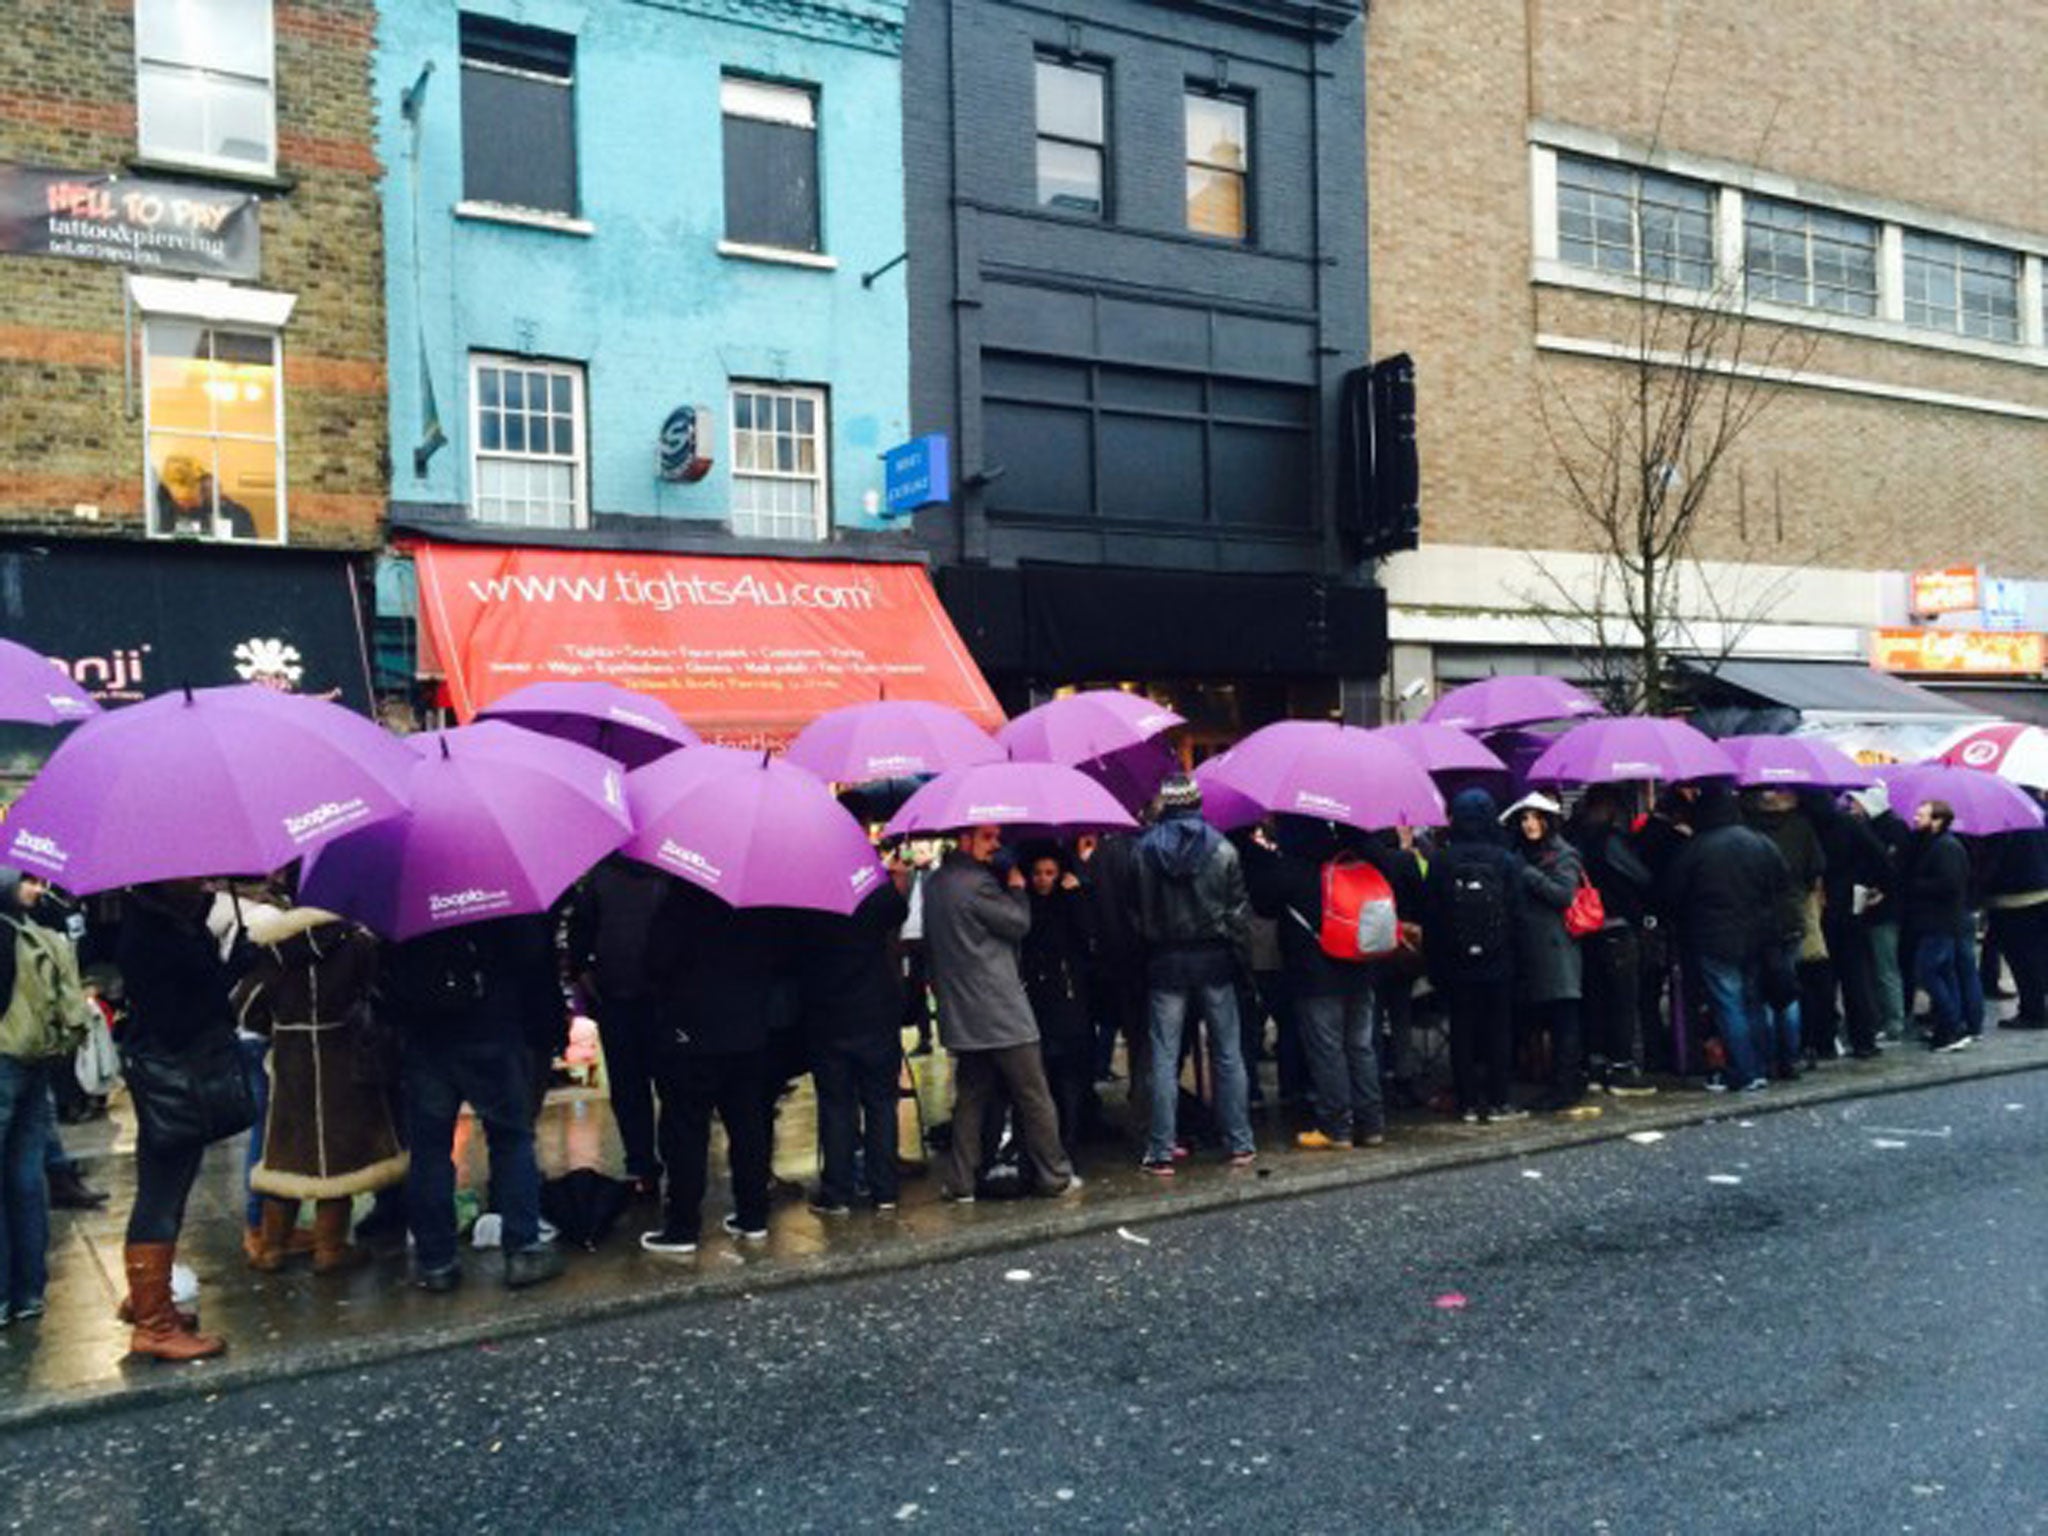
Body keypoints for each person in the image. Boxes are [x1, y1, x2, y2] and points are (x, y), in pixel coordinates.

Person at [384, 915, 564, 1292]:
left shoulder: (407, 895)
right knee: (511, 1139)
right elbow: (530, 953)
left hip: (427, 1038)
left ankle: (437, 1263)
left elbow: (386, 971)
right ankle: (522, 1250)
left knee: (430, 1150)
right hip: (492, 1029)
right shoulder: (497, 894)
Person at [116, 879, 257, 1360]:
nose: (204, 882)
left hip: (171, 1077)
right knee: (160, 1191)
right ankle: (153, 1324)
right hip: (171, 1079)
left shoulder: (168, 923)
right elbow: (177, 1021)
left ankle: (151, 1302)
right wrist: (227, 972)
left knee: (167, 1190)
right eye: (192, 878)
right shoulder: (150, 936)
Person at [233, 904, 406, 1274]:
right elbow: (377, 991)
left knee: (284, 1156)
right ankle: (330, 1249)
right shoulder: (356, 944)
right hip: (344, 1059)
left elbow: (246, 1008)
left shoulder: (276, 949)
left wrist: (279, 1027)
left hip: (290, 1065)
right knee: (338, 1157)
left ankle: (271, 1248)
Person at [924, 825, 1080, 1202]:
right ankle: (1054, 1175)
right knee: (1034, 1094)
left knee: (972, 1096)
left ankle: (961, 1181)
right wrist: (1016, 889)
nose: (996, 844)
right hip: (1000, 1009)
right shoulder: (979, 884)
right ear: (965, 839)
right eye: (988, 837)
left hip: (962, 1012)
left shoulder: (935, 882)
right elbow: (1018, 924)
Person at [640, 881, 783, 1252]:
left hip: (692, 1033)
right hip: (748, 1032)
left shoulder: (680, 899)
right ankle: (753, 1216)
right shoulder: (757, 901)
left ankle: (683, 1226)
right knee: (749, 1127)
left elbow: (656, 960)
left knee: (686, 1131)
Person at [1131, 776, 1257, 1175]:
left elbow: (1137, 913)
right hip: (1215, 959)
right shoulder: (1222, 848)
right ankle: (1240, 1143)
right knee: (1227, 1054)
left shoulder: (1144, 850)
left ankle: (1161, 1150)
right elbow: (1239, 915)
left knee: (1164, 1059)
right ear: (1198, 803)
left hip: (1165, 962)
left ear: (1166, 806)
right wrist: (1243, 961)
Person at [1243, 818, 1385, 1150]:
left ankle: (1337, 1127)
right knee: (1361, 1047)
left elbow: (1263, 905)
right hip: (1359, 966)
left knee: (1328, 1050)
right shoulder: (1352, 860)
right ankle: (1372, 1123)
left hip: (1315, 974)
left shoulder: (1290, 870)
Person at [1659, 785, 1793, 1094]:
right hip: (1758, 936)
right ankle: (1760, 1067)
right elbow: (1782, 885)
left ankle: (1743, 1072)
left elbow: (1672, 894)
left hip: (1713, 938)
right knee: (1754, 1002)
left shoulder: (1697, 848)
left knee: (1728, 1003)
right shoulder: (1760, 842)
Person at [795, 872, 911, 1216]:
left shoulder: (808, 901)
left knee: (836, 1107)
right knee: (881, 1103)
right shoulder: (872, 893)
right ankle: (885, 1190)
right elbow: (898, 910)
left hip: (829, 1017)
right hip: (875, 1012)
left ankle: (837, 1192)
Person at [566, 855, 670, 1197]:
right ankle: (676, 1161)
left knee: (628, 1088)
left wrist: (589, 980)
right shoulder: (670, 872)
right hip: (664, 1000)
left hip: (616, 997)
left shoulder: (600, 875)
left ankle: (641, 1167)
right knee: (673, 1088)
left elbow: (579, 941)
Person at [1424, 788, 1526, 1123]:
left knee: (1462, 1031)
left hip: (1455, 963)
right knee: (1499, 1029)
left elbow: (1433, 918)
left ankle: (1467, 1102)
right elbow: (1518, 914)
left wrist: (1435, 964)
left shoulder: (1441, 861)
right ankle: (1499, 1100)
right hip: (1499, 961)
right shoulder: (1506, 860)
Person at [1503, 793, 1591, 1113]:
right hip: (1532, 948)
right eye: (1524, 818)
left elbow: (1563, 894)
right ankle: (1559, 1080)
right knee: (1548, 1019)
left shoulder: (1563, 854)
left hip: (1557, 948)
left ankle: (1565, 1086)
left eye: (1535, 817)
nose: (1529, 824)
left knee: (1563, 1018)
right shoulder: (1519, 853)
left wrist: (1527, 873)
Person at [1565, 786, 1656, 1093]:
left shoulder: (1572, 839)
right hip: (1615, 927)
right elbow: (1642, 877)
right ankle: (1621, 1068)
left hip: (1584, 931)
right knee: (1622, 1000)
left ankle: (1595, 1065)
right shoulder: (1610, 841)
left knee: (1594, 999)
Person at [0, 867, 57, 1328]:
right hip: (34, 1059)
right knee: (25, 1175)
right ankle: (28, 1291)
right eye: (31, 882)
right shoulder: (29, 931)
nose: (39, 890)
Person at [1018, 848, 1097, 1166]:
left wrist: (1076, 896)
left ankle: (1070, 1137)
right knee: (1049, 1073)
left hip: (1067, 996)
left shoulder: (1070, 901)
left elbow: (1087, 933)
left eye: (1049, 873)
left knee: (1067, 1073)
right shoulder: (1028, 904)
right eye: (1038, 873)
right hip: (1043, 996)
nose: (1043, 880)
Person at [1744, 788, 1823, 1074]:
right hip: (1791, 915)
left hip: (1755, 919)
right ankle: (1789, 1057)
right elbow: (1816, 868)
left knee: (1759, 993)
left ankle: (1764, 1058)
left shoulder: (1745, 829)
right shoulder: (1800, 827)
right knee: (1786, 989)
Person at [1809, 791, 1891, 1059]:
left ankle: (1823, 1040)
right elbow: (1881, 857)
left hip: (1817, 907)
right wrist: (1868, 883)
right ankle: (1863, 1039)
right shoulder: (1849, 824)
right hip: (1850, 905)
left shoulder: (1803, 825)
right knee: (1856, 977)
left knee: (1820, 978)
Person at [1902, 799, 1974, 1053]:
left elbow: (1949, 885)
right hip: (1939, 921)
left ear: (1937, 820)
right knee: (1944, 974)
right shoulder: (1937, 844)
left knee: (1928, 973)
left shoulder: (1945, 847)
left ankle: (1950, 1027)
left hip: (1939, 922)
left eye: (1921, 815)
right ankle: (1950, 1026)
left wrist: (1914, 885)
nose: (1915, 819)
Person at [1846, 783, 1910, 1042]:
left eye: (1855, 802)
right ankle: (1886, 1017)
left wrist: (1880, 890)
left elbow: (1894, 870)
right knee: (1879, 966)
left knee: (1885, 967)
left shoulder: (1888, 830)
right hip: (1875, 907)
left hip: (1884, 909)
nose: (1851, 807)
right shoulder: (1880, 826)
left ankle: (1894, 1021)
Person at [1980, 791, 2048, 1029]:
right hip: (2041, 891)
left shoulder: (2001, 820)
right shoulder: (2037, 811)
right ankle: (2037, 1005)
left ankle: (2033, 1012)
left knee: (2022, 958)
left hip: (2013, 898)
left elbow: (1994, 863)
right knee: (2036, 955)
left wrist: (1978, 889)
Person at [153, 454, 257, 540]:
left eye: (190, 500)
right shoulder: (162, 509)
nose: (185, 506)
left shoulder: (237, 514)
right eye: (180, 501)